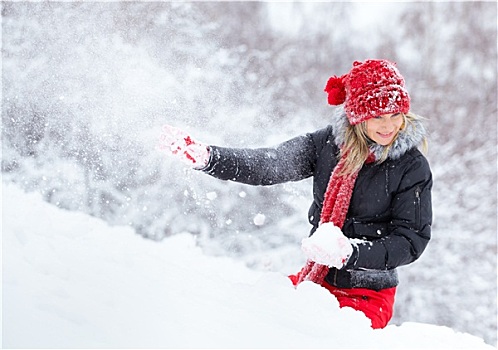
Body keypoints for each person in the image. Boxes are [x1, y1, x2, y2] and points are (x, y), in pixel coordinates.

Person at [158, 59, 433, 329]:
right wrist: (209, 158)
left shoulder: (411, 167)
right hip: (317, 280)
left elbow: (411, 240)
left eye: (395, 115)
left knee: (324, 337)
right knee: (252, 317)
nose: (388, 126)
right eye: (377, 117)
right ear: (358, 115)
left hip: (369, 295)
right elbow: (270, 165)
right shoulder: (327, 145)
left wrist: (350, 253)